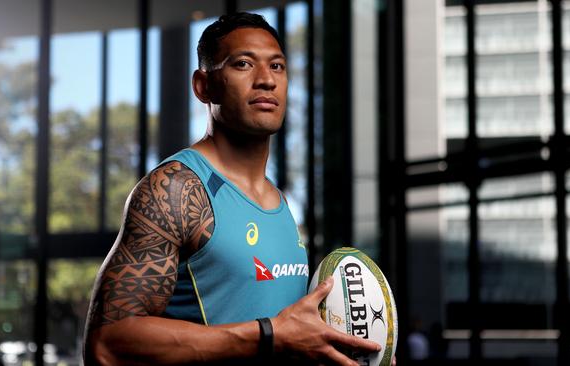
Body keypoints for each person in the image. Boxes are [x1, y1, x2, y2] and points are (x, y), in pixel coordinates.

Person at [84, 12, 385, 366]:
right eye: (243, 64)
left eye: (277, 66)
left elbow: (287, 339)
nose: (266, 80)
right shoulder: (176, 189)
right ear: (203, 86)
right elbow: (107, 344)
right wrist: (271, 334)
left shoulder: (279, 201)